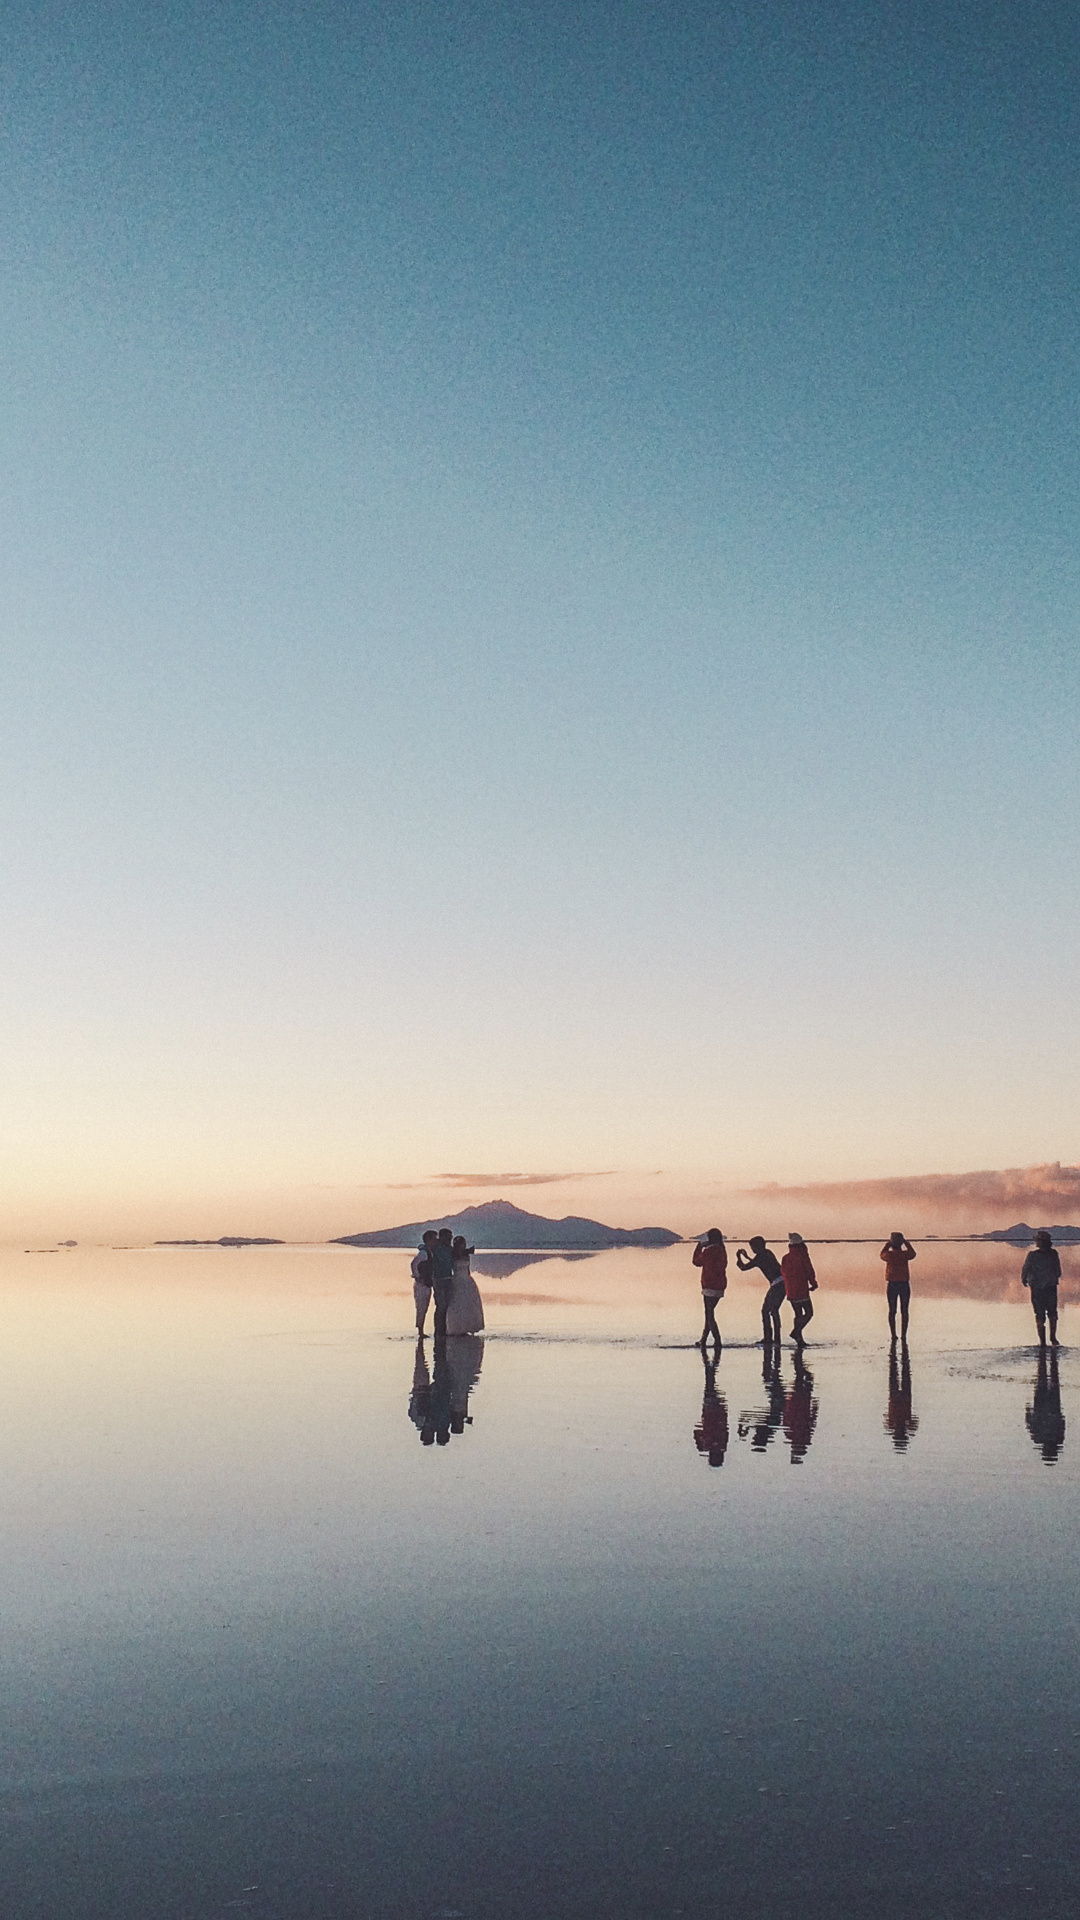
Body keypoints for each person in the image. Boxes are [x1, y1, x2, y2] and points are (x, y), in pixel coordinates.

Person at [737, 1235, 785, 1345]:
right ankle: (777, 1338)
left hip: (777, 1285)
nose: (752, 1249)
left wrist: (738, 1257)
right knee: (774, 1311)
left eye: (752, 1247)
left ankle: (768, 1338)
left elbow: (743, 1267)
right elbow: (758, 1263)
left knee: (765, 1311)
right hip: (783, 1283)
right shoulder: (768, 1253)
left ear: (756, 1247)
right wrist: (747, 1257)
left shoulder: (759, 1257)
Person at [1021, 1229, 1062, 1348]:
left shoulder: (1033, 1255)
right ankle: (1052, 1338)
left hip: (1039, 1288)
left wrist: (1024, 1279)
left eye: (1038, 1241)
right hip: (1049, 1287)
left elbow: (1025, 1270)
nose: (1037, 1243)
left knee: (1040, 1314)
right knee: (1051, 1313)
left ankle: (1044, 1341)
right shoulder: (1053, 1254)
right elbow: (1058, 1271)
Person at [1026, 1348, 1066, 1462]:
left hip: (1047, 1407)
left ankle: (1044, 1346)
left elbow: (1030, 1423)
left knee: (1044, 1378)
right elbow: (1062, 1423)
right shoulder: (1056, 1438)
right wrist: (1028, 1412)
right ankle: (1050, 1349)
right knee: (1049, 1378)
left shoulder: (1039, 1438)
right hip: (1052, 1408)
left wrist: (1028, 1411)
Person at [692, 1229, 728, 1351]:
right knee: (710, 1313)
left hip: (709, 1285)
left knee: (709, 1314)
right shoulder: (722, 1250)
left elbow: (696, 1262)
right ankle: (704, 1340)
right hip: (720, 1285)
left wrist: (699, 1247)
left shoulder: (709, 1251)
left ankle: (717, 1341)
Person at [781, 1232, 817, 1345]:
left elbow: (783, 1273)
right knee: (809, 1313)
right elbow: (809, 1270)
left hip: (790, 1290)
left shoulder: (785, 1258)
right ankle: (796, 1332)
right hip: (801, 1289)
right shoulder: (803, 1256)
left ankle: (799, 1339)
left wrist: (788, 1286)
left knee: (798, 1314)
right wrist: (813, 1283)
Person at [693, 1354, 729, 1466]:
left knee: (710, 1384)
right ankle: (711, 1360)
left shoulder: (722, 1443)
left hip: (718, 1411)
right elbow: (696, 1432)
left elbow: (726, 1430)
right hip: (710, 1411)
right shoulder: (710, 1443)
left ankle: (711, 1359)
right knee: (710, 1384)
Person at [445, 1236, 485, 1334]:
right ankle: (457, 1328)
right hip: (457, 1280)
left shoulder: (466, 1255)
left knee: (469, 1304)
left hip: (467, 1280)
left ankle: (469, 1327)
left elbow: (467, 1269)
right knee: (457, 1304)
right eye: (460, 1244)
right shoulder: (453, 1255)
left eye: (463, 1244)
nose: (462, 1246)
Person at [884, 1340, 918, 1452]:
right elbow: (915, 1421)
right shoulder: (901, 1424)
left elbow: (915, 1421)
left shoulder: (892, 1425)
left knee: (898, 1371)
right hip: (904, 1399)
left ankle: (898, 1350)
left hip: (897, 1399)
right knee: (903, 1370)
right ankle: (901, 1349)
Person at [880, 1231, 916, 1338]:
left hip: (892, 1285)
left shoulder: (889, 1255)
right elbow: (913, 1254)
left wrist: (887, 1244)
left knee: (892, 1310)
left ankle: (893, 1334)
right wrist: (907, 1243)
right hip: (904, 1284)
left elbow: (882, 1254)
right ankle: (903, 1334)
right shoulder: (905, 1255)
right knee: (904, 1310)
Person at [430, 1228, 456, 1341]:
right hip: (438, 1279)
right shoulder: (436, 1248)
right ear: (442, 1237)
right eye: (448, 1237)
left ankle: (444, 1329)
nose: (450, 1239)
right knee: (441, 1305)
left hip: (448, 1279)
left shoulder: (450, 1249)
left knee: (447, 1306)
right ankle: (438, 1331)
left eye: (451, 1237)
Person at [410, 1229, 438, 1335]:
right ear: (428, 1240)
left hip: (427, 1283)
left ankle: (421, 1330)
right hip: (421, 1284)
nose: (436, 1241)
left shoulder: (430, 1252)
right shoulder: (424, 1253)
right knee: (421, 1307)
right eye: (434, 1239)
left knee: (424, 1306)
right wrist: (417, 1276)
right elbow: (413, 1264)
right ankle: (420, 1331)